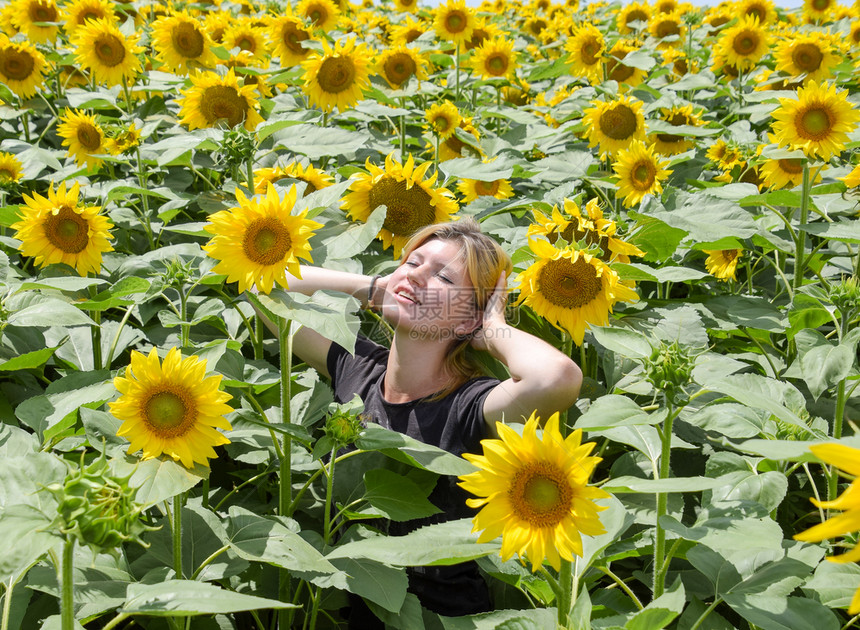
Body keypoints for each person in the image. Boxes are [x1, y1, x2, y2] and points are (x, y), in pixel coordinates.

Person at [254, 218, 582, 623]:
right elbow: (264, 286)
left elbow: (556, 377)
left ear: (466, 321)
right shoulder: (358, 368)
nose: (418, 277)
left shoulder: (469, 406)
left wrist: (493, 328)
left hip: (440, 619)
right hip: (355, 609)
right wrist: (376, 288)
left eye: (442, 277)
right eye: (413, 263)